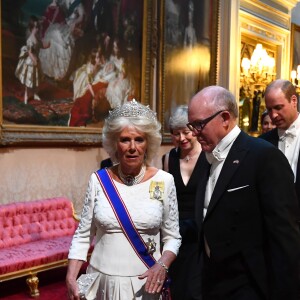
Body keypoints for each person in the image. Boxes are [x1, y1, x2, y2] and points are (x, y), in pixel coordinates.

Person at [187, 85, 300, 300]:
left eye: (199, 124)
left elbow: (284, 239)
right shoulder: (206, 156)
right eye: (191, 125)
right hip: (212, 282)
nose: (194, 132)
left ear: (225, 118)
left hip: (251, 286)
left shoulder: (264, 157)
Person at [66, 99, 181, 299]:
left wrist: (162, 265)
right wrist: (70, 276)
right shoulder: (99, 180)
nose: (132, 147)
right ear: (114, 143)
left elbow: (173, 237)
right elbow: (83, 234)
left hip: (145, 281)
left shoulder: (165, 181)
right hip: (101, 281)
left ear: (148, 143)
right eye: (125, 139)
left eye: (139, 140)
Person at [162, 105, 203, 300]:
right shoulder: (168, 159)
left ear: (195, 130)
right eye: (176, 134)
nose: (181, 138)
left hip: (201, 233)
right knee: (177, 287)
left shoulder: (209, 156)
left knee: (196, 289)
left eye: (186, 132)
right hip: (175, 232)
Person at [259, 79, 300, 207]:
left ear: (294, 101)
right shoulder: (262, 142)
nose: (273, 115)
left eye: (278, 107)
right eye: (269, 109)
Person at [15, 15, 50, 104]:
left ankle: (34, 93)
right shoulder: (30, 40)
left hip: (36, 61)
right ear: (31, 28)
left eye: (37, 27)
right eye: (34, 27)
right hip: (30, 62)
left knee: (36, 80)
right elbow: (30, 52)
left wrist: (47, 45)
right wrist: (34, 60)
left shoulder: (37, 38)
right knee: (29, 81)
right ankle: (26, 96)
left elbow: (41, 45)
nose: (36, 29)